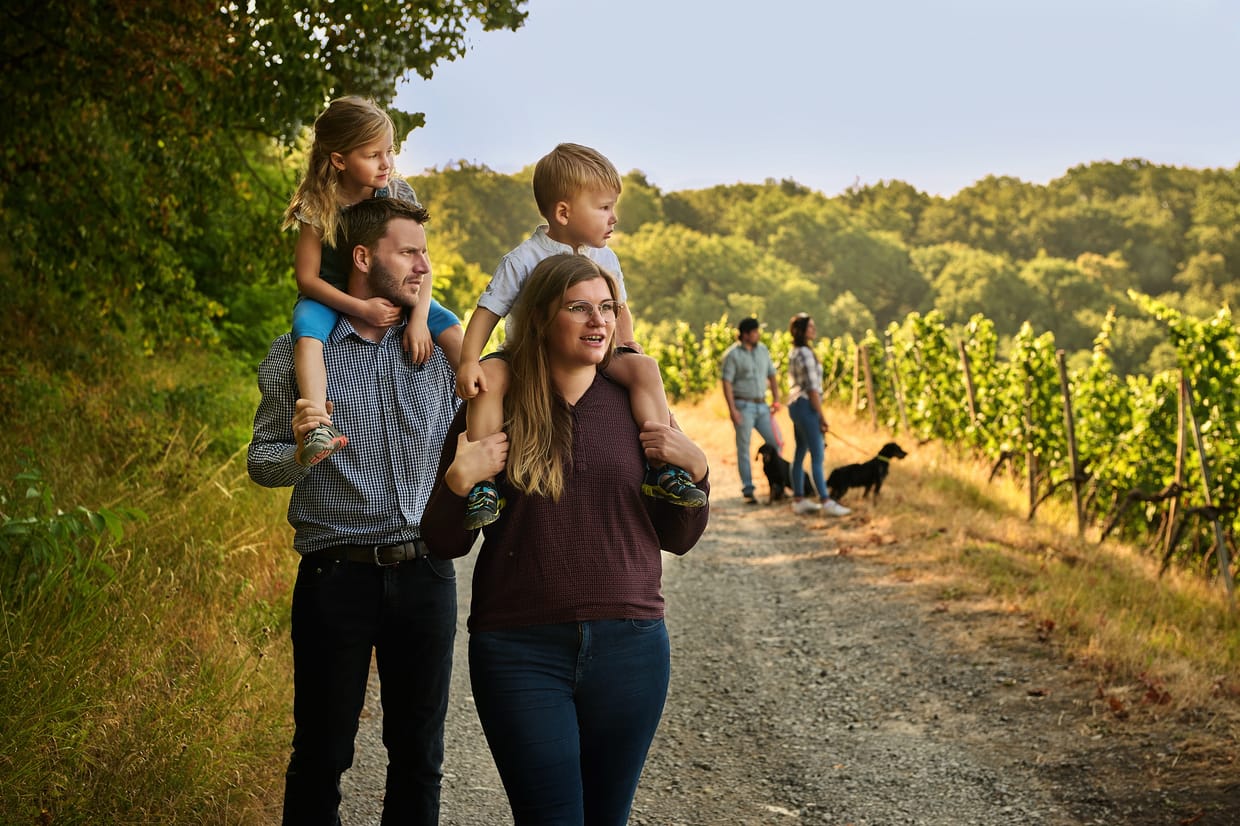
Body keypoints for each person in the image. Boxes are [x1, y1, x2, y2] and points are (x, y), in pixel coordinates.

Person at [421, 253, 711, 826]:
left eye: (605, 308)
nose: (597, 321)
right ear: (541, 318)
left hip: (630, 648)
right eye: (577, 308)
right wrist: (458, 480)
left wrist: (698, 469)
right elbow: (445, 542)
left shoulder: (635, 402)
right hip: (519, 650)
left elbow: (679, 536)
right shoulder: (496, 400)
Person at [248, 197, 461, 824]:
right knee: (321, 753)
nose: (424, 266)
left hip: (425, 575)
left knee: (420, 757)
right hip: (334, 576)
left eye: (425, 251)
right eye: (409, 252)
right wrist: (300, 453)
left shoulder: (442, 352)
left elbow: (483, 431)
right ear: (364, 257)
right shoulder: (301, 352)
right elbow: (261, 463)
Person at [453, 142, 705, 529]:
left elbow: (618, 305)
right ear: (564, 212)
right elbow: (489, 310)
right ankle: (483, 483)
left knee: (644, 369)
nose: (614, 217)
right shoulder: (522, 259)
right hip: (525, 354)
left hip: (597, 352)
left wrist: (626, 343)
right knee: (489, 381)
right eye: (604, 207)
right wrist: (471, 359)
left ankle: (662, 467)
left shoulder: (606, 258)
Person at [281, 95, 464, 467]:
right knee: (306, 332)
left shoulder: (396, 192)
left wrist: (417, 321)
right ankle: (317, 423)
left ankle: (489, 402)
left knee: (447, 323)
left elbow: (420, 260)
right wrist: (359, 307)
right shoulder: (320, 203)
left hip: (393, 285)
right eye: (373, 155)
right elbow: (306, 279)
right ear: (339, 160)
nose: (387, 163)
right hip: (333, 292)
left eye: (390, 151)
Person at [786, 312, 851, 517]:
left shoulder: (794, 352)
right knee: (817, 454)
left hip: (795, 404)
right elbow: (813, 388)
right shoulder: (805, 353)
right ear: (803, 331)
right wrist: (822, 416)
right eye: (811, 327)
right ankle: (825, 500)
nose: (814, 330)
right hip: (807, 404)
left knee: (800, 452)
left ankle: (799, 499)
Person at [720, 317, 782, 504]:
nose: (758, 335)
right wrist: (732, 410)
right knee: (744, 449)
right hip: (743, 406)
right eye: (755, 332)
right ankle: (748, 489)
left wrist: (777, 399)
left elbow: (771, 375)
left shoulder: (763, 350)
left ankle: (778, 484)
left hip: (762, 405)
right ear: (745, 334)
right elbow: (727, 382)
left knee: (776, 443)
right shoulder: (732, 355)